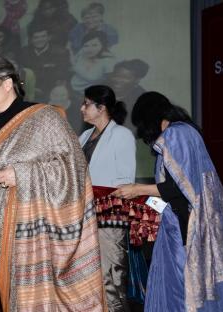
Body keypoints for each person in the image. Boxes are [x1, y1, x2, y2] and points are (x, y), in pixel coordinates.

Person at [0, 55, 107, 311]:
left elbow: (75, 168)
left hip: (50, 235)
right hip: (9, 235)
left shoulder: (45, 117)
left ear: (7, 84)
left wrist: (22, 174)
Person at [112, 92, 223, 312]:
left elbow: (179, 188)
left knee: (187, 285)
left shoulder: (175, 134)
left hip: (190, 224)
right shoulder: (185, 131)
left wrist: (137, 189)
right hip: (192, 220)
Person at [79, 85, 135, 312]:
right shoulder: (84, 136)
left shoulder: (121, 135)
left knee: (111, 276)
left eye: (86, 104)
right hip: (85, 215)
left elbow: (125, 181)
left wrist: (101, 195)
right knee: (87, 276)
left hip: (110, 216)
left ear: (101, 108)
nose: (82, 108)